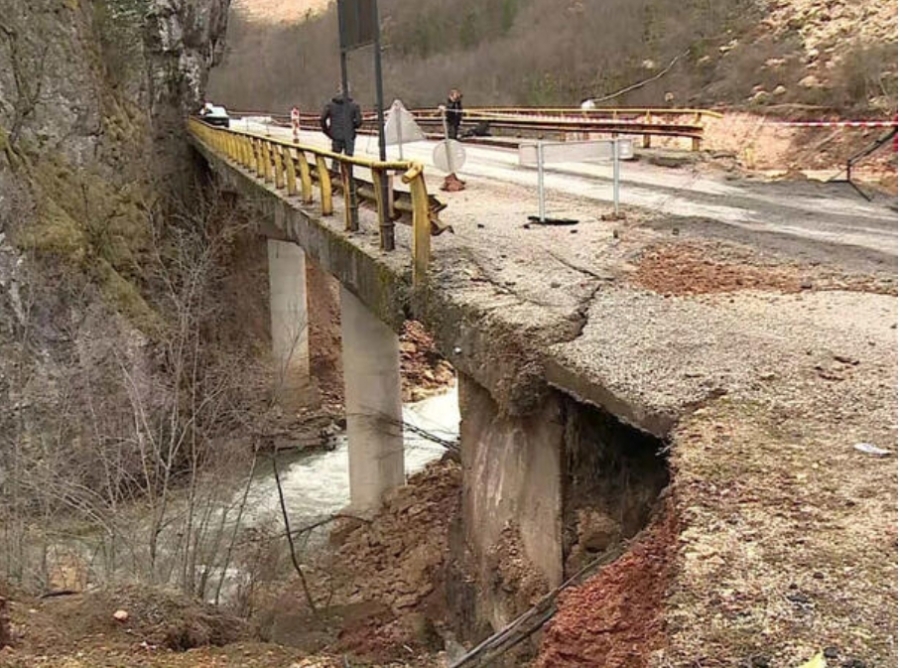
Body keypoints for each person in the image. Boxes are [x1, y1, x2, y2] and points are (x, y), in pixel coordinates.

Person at [320, 88, 363, 157]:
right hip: (349, 136)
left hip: (336, 135)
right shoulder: (354, 106)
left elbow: (322, 119)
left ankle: (335, 164)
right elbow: (359, 122)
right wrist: (352, 126)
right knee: (348, 159)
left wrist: (327, 131)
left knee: (335, 158)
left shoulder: (330, 105)